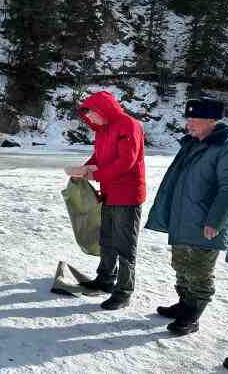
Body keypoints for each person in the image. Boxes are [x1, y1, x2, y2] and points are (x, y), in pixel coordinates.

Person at [146, 97, 228, 335]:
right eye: (188, 119)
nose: (189, 124)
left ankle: (193, 315)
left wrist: (215, 221)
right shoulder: (192, 144)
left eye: (194, 119)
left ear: (211, 121)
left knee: (199, 269)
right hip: (182, 217)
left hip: (205, 221)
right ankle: (184, 304)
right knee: (181, 264)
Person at [66, 91, 146, 310]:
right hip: (109, 193)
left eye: (91, 114)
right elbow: (98, 158)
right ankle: (105, 279)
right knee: (106, 240)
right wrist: (83, 169)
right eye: (87, 116)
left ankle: (124, 291)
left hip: (128, 196)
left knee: (124, 245)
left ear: (103, 109)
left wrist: (95, 175)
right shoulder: (102, 132)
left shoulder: (128, 125)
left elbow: (125, 162)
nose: (89, 119)